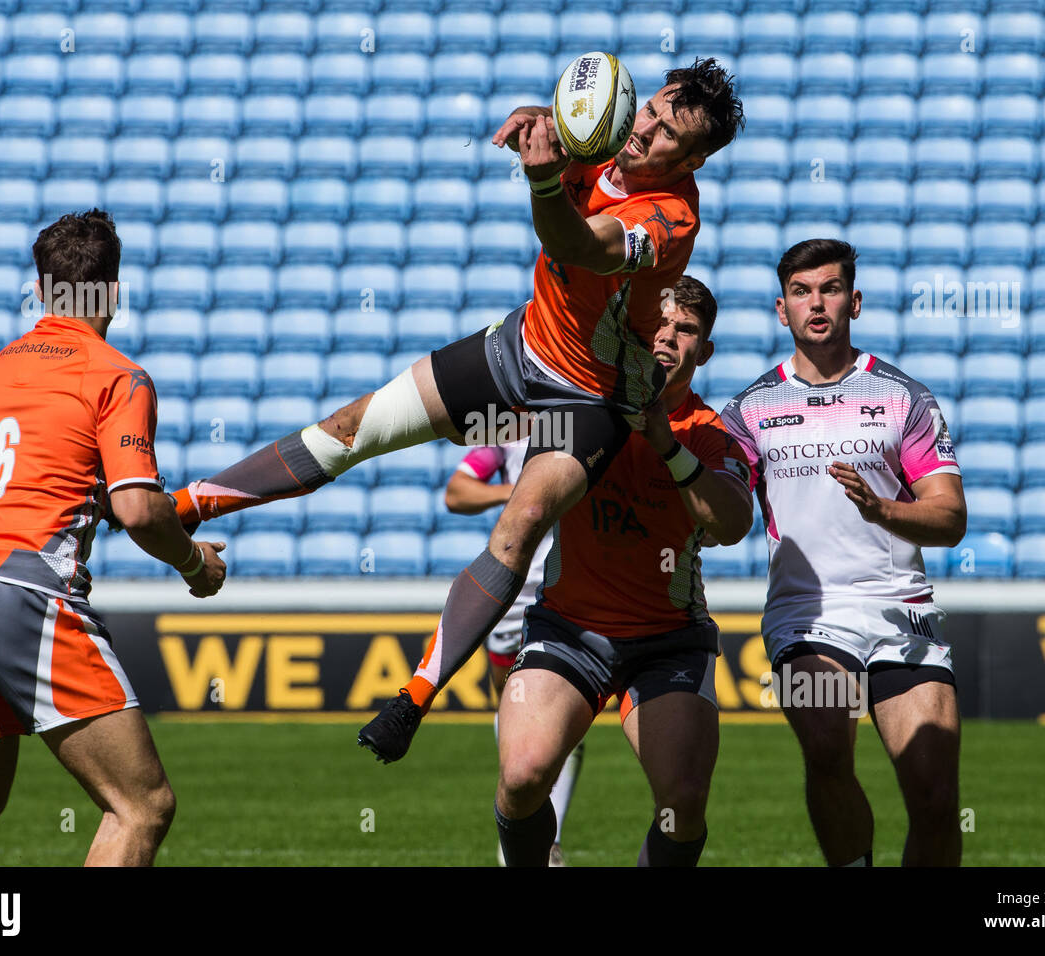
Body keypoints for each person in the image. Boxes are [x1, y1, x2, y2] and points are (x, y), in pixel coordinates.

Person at [162, 58, 744, 763]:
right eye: (648, 110)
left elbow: (574, 244)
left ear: (696, 160)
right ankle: (185, 507)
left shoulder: (671, 218)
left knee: (522, 522)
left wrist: (539, 175)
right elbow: (562, 124)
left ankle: (414, 698)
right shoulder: (605, 140)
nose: (643, 130)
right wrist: (540, 117)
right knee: (355, 429)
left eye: (666, 133)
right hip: (519, 348)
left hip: (590, 399)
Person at [0, 210, 227, 868]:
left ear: (41, 288)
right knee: (140, 805)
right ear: (113, 292)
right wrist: (193, 564)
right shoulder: (117, 376)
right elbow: (140, 510)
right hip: (30, 599)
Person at [720, 239, 967, 867]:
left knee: (936, 800)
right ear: (782, 310)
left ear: (853, 300)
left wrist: (885, 510)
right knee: (828, 746)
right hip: (805, 614)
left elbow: (951, 517)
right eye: (801, 293)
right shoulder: (750, 410)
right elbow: (717, 512)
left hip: (899, 610)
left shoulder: (904, 397)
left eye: (829, 289)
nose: (816, 303)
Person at [494, 276, 752, 866]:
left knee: (682, 805)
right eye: (659, 324)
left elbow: (733, 524)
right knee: (522, 777)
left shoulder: (713, 434)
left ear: (704, 351)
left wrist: (665, 443)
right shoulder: (581, 410)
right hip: (568, 628)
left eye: (685, 330)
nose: (667, 338)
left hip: (668, 639)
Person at [445, 437, 580, 866]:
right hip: (513, 593)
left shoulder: (599, 416)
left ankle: (547, 839)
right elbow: (457, 492)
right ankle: (522, 831)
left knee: (568, 719)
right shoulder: (508, 428)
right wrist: (525, 490)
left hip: (575, 590)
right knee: (515, 712)